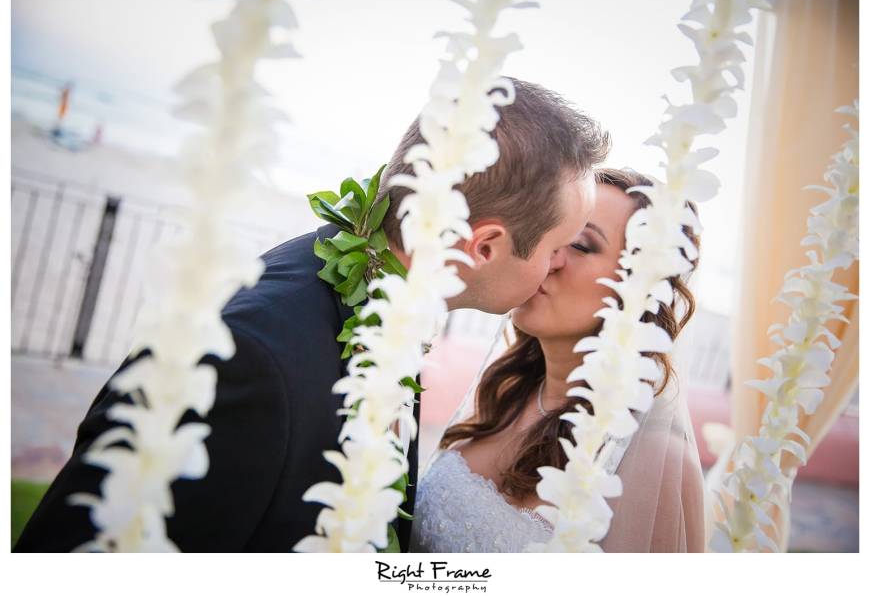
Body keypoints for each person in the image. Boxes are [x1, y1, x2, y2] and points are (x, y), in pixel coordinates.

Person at [14, 78, 609, 552]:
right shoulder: (250, 360)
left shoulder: (384, 301)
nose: (558, 265)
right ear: (484, 246)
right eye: (560, 246)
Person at [410, 168, 706, 553]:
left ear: (641, 291)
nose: (547, 257)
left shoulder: (654, 458)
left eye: (580, 244)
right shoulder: (505, 391)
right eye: (551, 233)